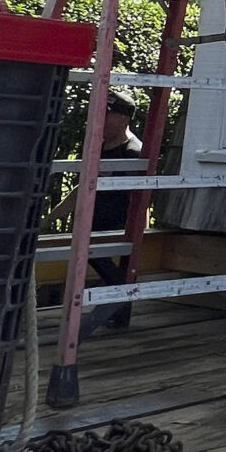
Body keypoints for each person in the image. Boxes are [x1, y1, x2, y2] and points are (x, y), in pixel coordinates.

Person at [84, 92, 144, 336]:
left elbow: (139, 197)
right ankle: (116, 308)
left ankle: (119, 305)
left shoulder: (133, 151)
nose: (99, 118)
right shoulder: (98, 145)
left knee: (97, 257)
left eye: (106, 113)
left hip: (117, 228)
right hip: (92, 223)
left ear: (122, 119)